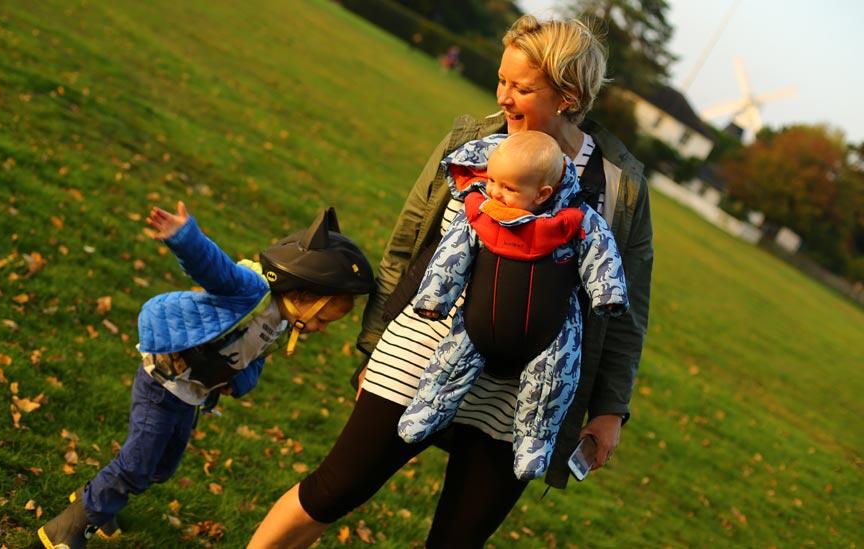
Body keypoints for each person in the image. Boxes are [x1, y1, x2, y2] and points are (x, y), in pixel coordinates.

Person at [250, 14, 653, 549]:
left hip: (528, 392)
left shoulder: (617, 185)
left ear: (568, 95)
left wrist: (608, 412)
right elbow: (405, 247)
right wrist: (374, 344)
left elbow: (628, 309)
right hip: (422, 351)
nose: (505, 98)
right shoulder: (472, 141)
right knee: (332, 491)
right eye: (503, 81)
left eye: (523, 88)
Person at [36, 203, 375, 549]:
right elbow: (215, 269)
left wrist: (237, 382)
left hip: (191, 396)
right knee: (138, 465)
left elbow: (252, 360)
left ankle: (96, 496)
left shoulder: (282, 324)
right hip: (163, 382)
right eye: (322, 319)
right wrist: (184, 236)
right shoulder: (251, 292)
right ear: (303, 293)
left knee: (161, 467)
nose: (319, 329)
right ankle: (69, 527)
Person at [399, 131, 628, 481]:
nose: (494, 191)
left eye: (508, 187)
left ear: (543, 194)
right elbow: (451, 257)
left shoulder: (576, 221)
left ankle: (534, 441)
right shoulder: (480, 212)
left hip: (548, 333)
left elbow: (602, 254)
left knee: (551, 382)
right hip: (477, 324)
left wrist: (607, 294)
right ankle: (429, 406)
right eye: (491, 180)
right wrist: (434, 297)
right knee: (451, 359)